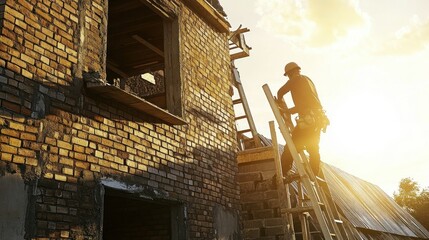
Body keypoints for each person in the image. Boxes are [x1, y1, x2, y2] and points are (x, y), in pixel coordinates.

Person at [276, 62, 329, 177]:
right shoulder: (307, 80)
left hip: (309, 120)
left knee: (291, 146)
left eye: (289, 75)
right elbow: (306, 103)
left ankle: (282, 173)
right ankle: (314, 173)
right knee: (313, 147)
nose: (289, 78)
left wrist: (282, 105)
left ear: (291, 73)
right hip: (317, 120)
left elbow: (280, 92)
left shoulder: (296, 79)